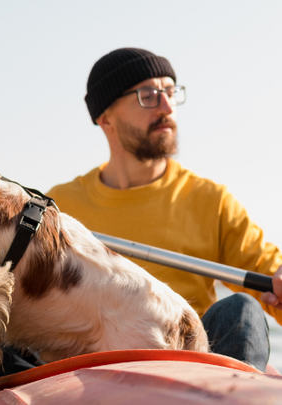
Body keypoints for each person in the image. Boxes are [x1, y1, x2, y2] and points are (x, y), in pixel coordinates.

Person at [47, 48, 282, 371]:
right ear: (105, 117)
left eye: (170, 92)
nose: (167, 107)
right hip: (90, 362)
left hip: (189, 359)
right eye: (148, 95)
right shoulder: (59, 208)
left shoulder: (210, 199)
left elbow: (269, 272)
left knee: (241, 309)